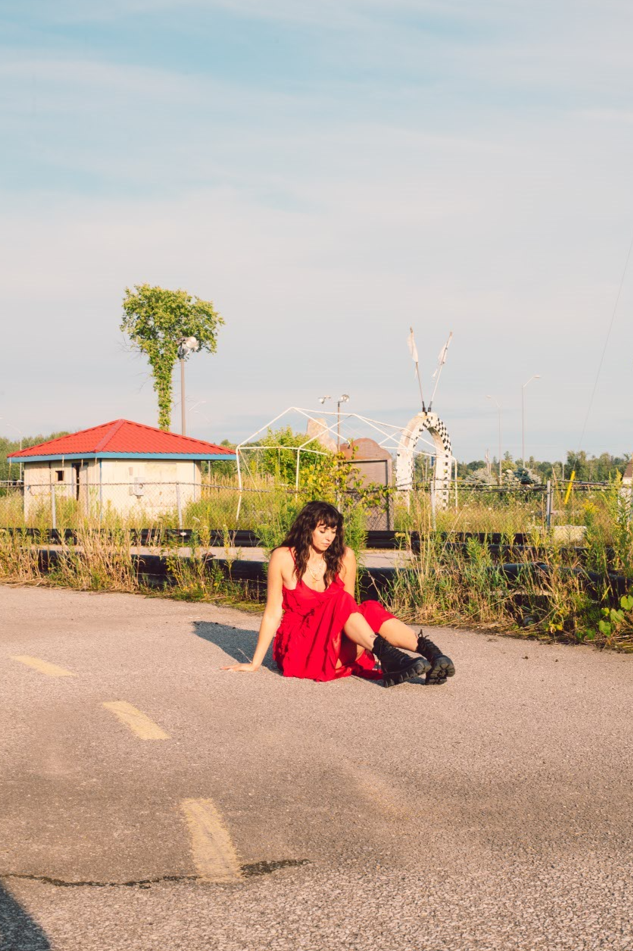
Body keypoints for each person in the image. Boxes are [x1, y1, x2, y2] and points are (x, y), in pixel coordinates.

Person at [223, 500, 455, 687]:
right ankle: (393, 658)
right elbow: (273, 612)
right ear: (308, 529)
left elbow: (350, 614)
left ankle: (433, 655)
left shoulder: (344, 556)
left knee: (369, 608)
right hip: (301, 648)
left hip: (333, 642)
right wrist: (254, 663)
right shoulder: (283, 557)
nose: (329, 537)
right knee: (342, 598)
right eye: (322, 530)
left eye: (333, 531)